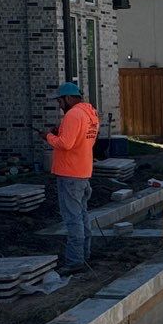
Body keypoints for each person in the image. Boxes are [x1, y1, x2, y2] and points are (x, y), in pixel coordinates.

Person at [44, 80, 99, 274]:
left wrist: (49, 137)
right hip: (83, 172)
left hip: (70, 174)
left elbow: (66, 144)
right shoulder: (90, 114)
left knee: (73, 219)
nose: (59, 106)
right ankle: (84, 254)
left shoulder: (73, 114)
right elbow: (80, 140)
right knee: (82, 216)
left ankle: (75, 261)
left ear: (68, 98)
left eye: (60, 101)